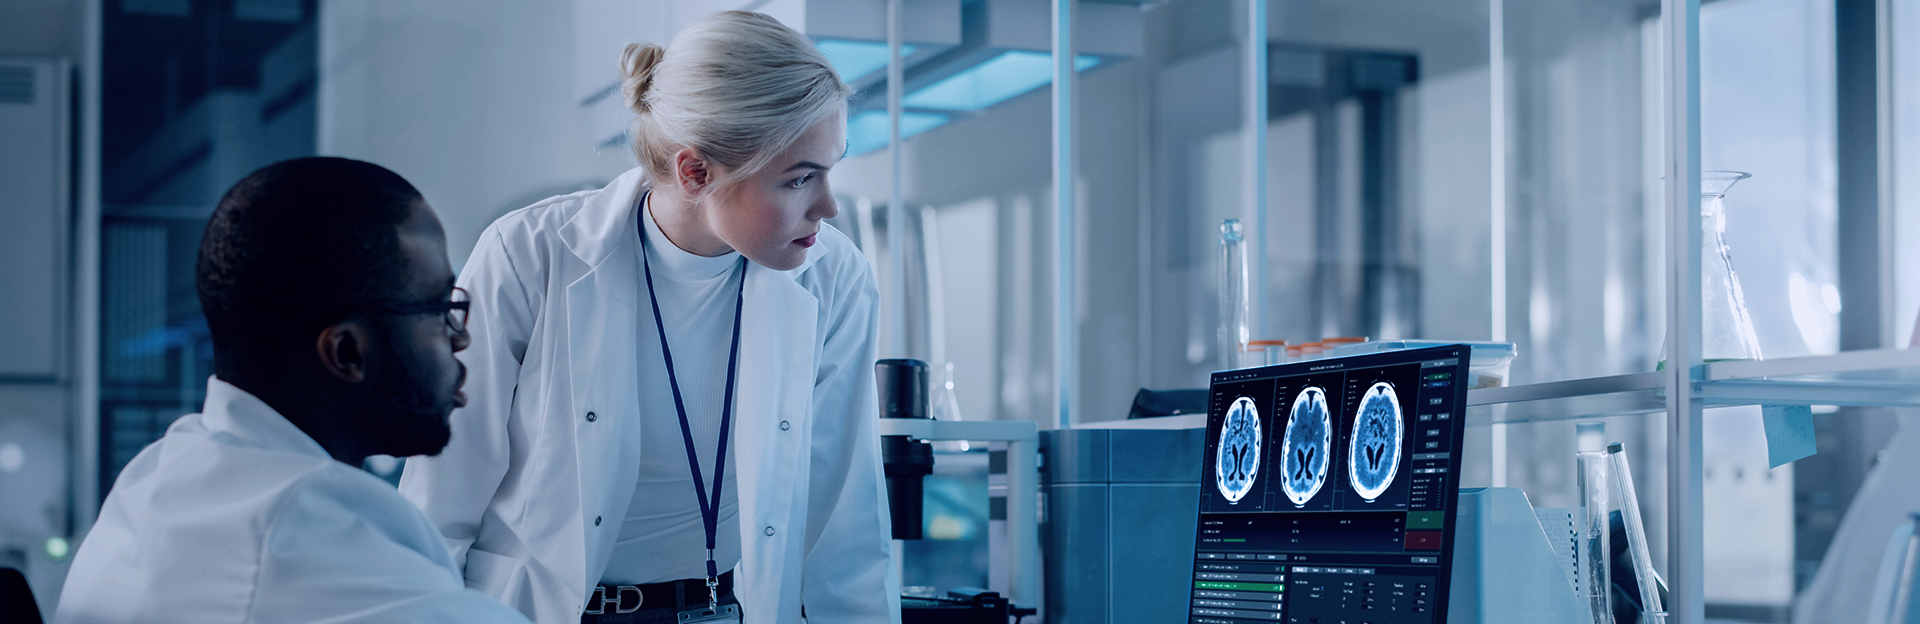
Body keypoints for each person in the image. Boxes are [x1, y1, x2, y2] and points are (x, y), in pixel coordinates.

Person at [397, 10, 896, 624]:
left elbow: (844, 515)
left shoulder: (834, 277)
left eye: (831, 169)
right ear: (695, 172)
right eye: (799, 179)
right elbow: (441, 500)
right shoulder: (528, 254)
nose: (829, 206)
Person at [55, 158, 532, 624]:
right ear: (346, 352)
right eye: (437, 309)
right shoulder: (299, 544)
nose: (461, 337)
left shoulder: (161, 472)